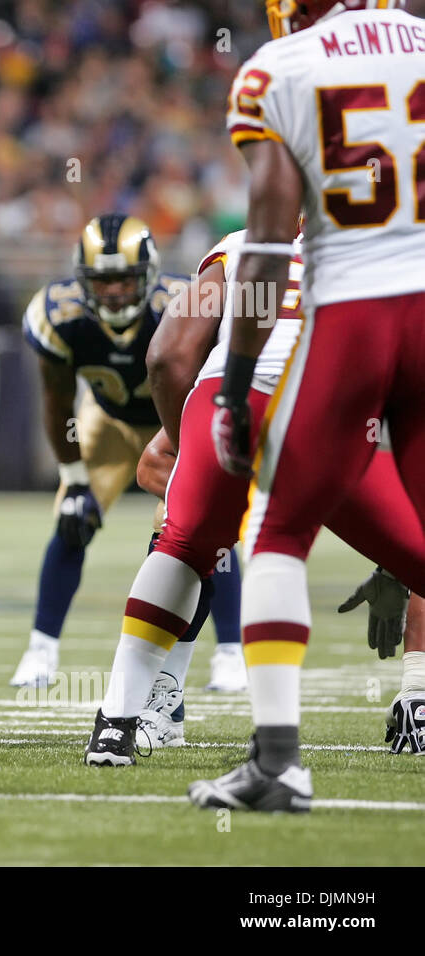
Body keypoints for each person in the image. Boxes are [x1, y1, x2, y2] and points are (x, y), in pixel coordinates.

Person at [190, 0, 425, 811]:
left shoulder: (279, 68)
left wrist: (237, 376)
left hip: (356, 311)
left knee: (278, 530)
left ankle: (279, 763)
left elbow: (266, 235)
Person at [85, 230, 425, 764]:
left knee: (183, 544)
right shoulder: (390, 258)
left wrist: (195, 447)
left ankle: (115, 721)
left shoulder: (240, 246)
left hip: (228, 402)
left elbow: (167, 358)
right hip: (322, 416)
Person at [16, 214, 247, 689]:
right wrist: (76, 478)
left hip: (177, 427)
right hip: (107, 423)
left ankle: (230, 653)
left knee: (205, 528)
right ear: (83, 280)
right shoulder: (59, 314)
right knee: (72, 518)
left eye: (124, 279)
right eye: (103, 281)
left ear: (149, 274)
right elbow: (57, 401)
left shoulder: (185, 300)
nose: (115, 292)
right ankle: (41, 649)